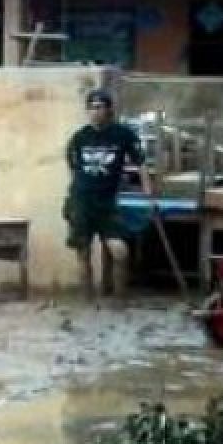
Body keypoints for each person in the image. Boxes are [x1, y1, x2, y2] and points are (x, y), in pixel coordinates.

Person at [64, 89, 153, 305]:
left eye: (100, 107)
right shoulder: (79, 137)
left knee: (120, 252)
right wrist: (73, 193)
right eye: (91, 107)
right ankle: (87, 303)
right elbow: (72, 168)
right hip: (81, 202)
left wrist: (148, 192)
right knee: (83, 254)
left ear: (109, 109)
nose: (95, 111)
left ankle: (119, 302)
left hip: (107, 204)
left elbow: (140, 164)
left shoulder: (123, 135)